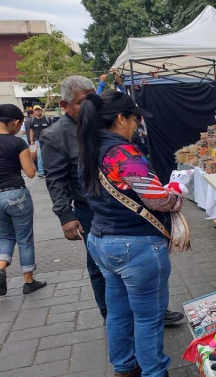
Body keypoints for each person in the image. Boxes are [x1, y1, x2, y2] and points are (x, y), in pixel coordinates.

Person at [76, 90, 192, 377]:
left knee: (117, 311)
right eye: (134, 118)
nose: (137, 124)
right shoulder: (124, 154)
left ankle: (124, 367)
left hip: (101, 241)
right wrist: (178, 192)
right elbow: (156, 199)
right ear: (120, 119)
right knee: (148, 317)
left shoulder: (90, 148)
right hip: (135, 246)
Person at [40, 76, 184, 326]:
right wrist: (66, 216)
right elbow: (56, 179)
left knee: (134, 282)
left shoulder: (106, 131)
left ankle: (143, 315)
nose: (90, 108)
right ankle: (113, 317)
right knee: (103, 273)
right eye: (83, 102)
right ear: (64, 105)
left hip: (124, 210)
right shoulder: (55, 135)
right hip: (90, 211)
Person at [0, 104, 47, 296]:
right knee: (24, 239)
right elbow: (30, 172)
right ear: (15, 122)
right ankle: (28, 281)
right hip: (15, 193)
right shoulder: (18, 143)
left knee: (4, 236)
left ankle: (1, 268)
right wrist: (32, 157)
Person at [29, 105, 52, 178]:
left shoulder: (47, 119)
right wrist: (31, 141)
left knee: (48, 155)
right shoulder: (32, 120)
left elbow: (52, 129)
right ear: (34, 112)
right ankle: (41, 172)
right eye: (36, 110)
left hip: (47, 140)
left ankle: (50, 170)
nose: (38, 111)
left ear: (41, 110)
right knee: (39, 155)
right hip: (37, 141)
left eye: (39, 109)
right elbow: (31, 131)